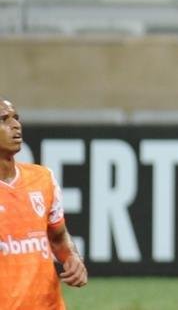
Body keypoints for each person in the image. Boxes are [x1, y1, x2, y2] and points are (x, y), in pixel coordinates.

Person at [0, 99, 87, 310]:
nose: (15, 125)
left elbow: (57, 238)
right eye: (4, 119)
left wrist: (72, 258)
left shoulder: (42, 178)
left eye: (16, 118)